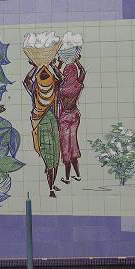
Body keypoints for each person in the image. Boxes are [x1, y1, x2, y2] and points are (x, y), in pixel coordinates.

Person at [23, 59, 63, 198]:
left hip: (49, 122)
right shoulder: (38, 87)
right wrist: (51, 65)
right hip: (44, 123)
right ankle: (51, 188)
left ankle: (52, 184)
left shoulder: (42, 86)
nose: (45, 73)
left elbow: (26, 80)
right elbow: (60, 78)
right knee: (50, 157)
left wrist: (36, 66)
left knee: (55, 155)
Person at [55, 55, 86, 184]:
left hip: (64, 116)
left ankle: (67, 178)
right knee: (73, 143)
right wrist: (77, 60)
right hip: (75, 115)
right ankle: (77, 175)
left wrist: (60, 63)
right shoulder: (78, 84)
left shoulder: (61, 85)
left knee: (65, 146)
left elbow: (56, 73)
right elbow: (83, 71)